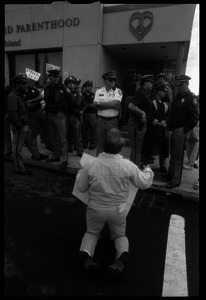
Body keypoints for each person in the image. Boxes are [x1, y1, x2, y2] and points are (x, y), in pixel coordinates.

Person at [76, 128, 154, 281]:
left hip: (95, 209)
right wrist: (148, 170)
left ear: (103, 145)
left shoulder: (91, 164)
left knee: (91, 233)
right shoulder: (128, 165)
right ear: (120, 148)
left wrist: (80, 173)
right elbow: (144, 183)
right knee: (119, 235)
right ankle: (121, 260)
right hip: (118, 211)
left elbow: (81, 187)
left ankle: (85, 256)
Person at [7, 74, 48, 175]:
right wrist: (19, 125)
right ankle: (20, 169)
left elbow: (24, 107)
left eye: (25, 84)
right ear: (16, 85)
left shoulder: (19, 95)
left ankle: (36, 155)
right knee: (17, 149)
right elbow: (12, 113)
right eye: (22, 84)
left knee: (30, 141)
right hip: (19, 126)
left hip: (24, 124)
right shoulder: (12, 96)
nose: (25, 86)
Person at [165, 75, 199, 188]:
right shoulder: (178, 96)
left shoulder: (191, 97)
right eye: (177, 85)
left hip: (181, 130)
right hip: (174, 129)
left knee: (179, 156)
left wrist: (185, 130)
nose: (178, 87)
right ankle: (170, 174)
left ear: (186, 84)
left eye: (181, 85)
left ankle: (176, 181)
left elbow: (195, 117)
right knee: (173, 154)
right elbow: (173, 113)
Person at [44, 69, 75, 169]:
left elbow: (71, 100)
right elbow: (46, 99)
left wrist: (66, 108)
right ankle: (56, 156)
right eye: (52, 76)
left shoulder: (63, 88)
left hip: (59, 115)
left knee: (62, 139)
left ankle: (65, 160)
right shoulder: (48, 87)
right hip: (50, 114)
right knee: (53, 137)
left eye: (55, 76)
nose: (53, 78)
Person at [93, 70, 122, 156]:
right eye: (110, 80)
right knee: (100, 142)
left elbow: (115, 103)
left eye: (114, 80)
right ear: (105, 81)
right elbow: (95, 106)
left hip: (112, 121)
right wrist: (112, 105)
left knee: (113, 142)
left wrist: (99, 103)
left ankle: (111, 163)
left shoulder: (118, 91)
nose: (113, 82)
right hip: (101, 120)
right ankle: (99, 161)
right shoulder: (99, 91)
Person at [127, 75, 154, 168]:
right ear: (145, 83)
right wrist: (142, 112)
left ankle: (134, 167)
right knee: (136, 148)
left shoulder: (145, 93)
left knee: (138, 148)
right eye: (150, 82)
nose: (152, 84)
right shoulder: (141, 93)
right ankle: (134, 169)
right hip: (136, 124)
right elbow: (130, 106)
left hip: (141, 124)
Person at [24, 77, 52, 156]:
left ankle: (50, 146)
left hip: (39, 111)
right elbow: (27, 105)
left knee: (46, 129)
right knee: (33, 133)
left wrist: (32, 101)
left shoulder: (32, 89)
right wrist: (36, 102)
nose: (32, 82)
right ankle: (35, 153)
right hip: (31, 113)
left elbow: (41, 97)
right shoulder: (21, 92)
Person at [150, 82, 171, 172]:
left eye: (165, 91)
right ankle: (145, 162)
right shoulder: (152, 102)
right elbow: (149, 114)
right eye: (163, 91)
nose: (164, 93)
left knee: (164, 146)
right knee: (150, 144)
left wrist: (164, 122)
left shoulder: (166, 104)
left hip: (163, 129)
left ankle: (163, 164)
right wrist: (155, 122)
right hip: (153, 128)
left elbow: (169, 115)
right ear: (158, 91)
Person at [64, 76, 83, 157]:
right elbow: (63, 104)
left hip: (74, 116)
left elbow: (78, 104)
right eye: (69, 83)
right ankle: (69, 148)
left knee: (76, 134)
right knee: (66, 134)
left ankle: (78, 150)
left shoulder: (77, 93)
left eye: (72, 83)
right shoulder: (63, 93)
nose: (71, 85)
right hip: (65, 115)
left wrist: (70, 105)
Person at [81, 80, 97, 150]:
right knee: (84, 129)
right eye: (88, 86)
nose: (90, 87)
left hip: (92, 114)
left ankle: (93, 143)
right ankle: (85, 143)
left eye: (91, 86)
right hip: (84, 114)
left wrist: (89, 105)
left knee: (93, 129)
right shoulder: (82, 95)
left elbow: (95, 104)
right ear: (85, 87)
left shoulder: (94, 95)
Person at [4, 83, 13, 157]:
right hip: (7, 113)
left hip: (9, 113)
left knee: (8, 132)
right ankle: (9, 149)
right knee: (6, 133)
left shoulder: (8, 89)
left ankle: (9, 149)